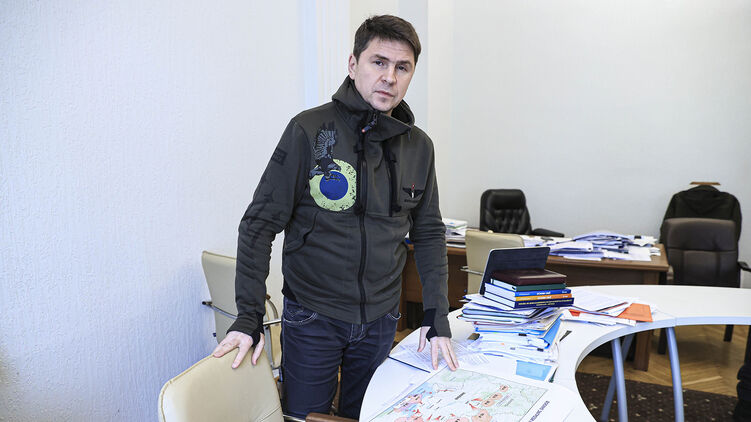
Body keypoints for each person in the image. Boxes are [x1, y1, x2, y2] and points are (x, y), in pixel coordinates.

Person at [212, 14, 458, 419]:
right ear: (353, 64)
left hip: (381, 318)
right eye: (379, 62)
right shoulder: (308, 130)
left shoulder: (419, 147)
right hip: (314, 315)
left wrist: (436, 316)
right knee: (306, 417)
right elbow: (258, 225)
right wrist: (248, 317)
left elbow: (429, 233)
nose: (390, 77)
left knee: (368, 414)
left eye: (402, 67)